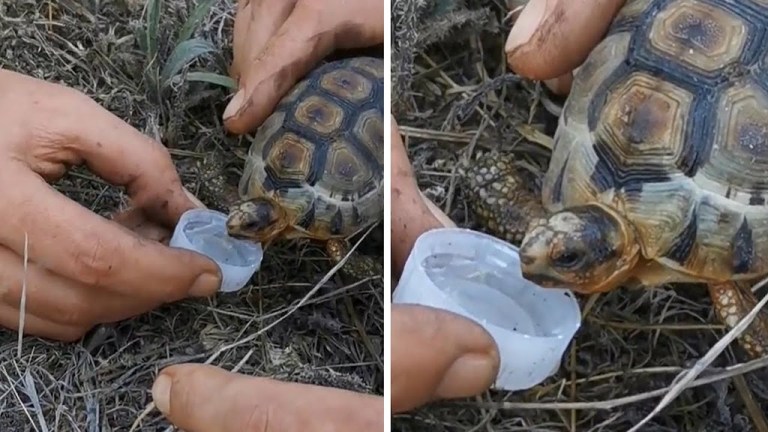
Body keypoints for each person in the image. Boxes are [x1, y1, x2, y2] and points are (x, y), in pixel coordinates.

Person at [0, 0, 626, 430]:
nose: (240, 227)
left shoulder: (319, 222)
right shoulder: (262, 191)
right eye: (243, 222)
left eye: (247, 224)